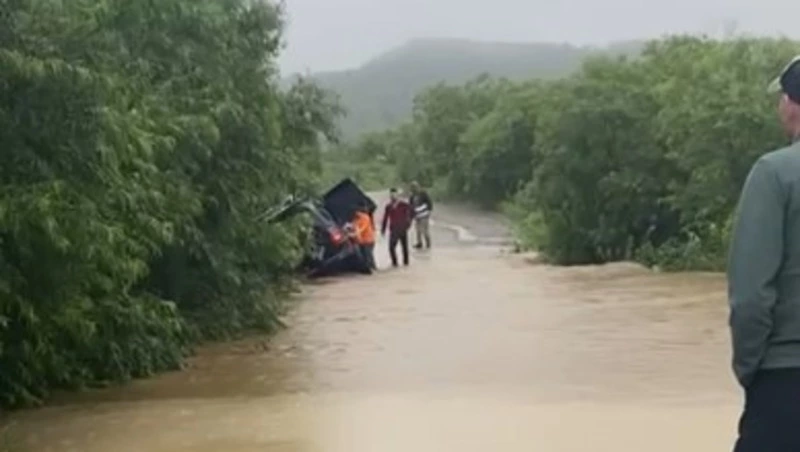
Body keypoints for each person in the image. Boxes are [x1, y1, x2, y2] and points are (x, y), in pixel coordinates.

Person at [728, 55, 800, 452]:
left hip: (787, 382)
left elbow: (751, 296)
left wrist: (750, 369)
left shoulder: (774, 173)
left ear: (792, 104)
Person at [380, 187, 413, 267]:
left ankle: (406, 263)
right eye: (391, 195)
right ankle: (395, 263)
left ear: (397, 195)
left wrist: (408, 223)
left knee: (404, 247)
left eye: (394, 194)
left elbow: (412, 211)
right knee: (391, 247)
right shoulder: (388, 206)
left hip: (402, 228)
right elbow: (385, 218)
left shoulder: (403, 205)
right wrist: (383, 229)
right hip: (394, 229)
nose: (393, 196)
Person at [409, 181, 433, 249]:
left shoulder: (423, 193)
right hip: (417, 215)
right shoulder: (412, 196)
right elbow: (410, 207)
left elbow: (429, 203)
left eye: (415, 187)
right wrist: (411, 217)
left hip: (424, 215)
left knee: (425, 230)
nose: (414, 189)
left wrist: (429, 211)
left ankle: (428, 243)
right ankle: (419, 243)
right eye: (412, 188)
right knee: (418, 230)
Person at [352, 202, 376, 271]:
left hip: (368, 240)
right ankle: (369, 268)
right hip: (361, 241)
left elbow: (362, 229)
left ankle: (371, 269)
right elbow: (353, 226)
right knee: (365, 256)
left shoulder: (365, 218)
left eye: (356, 212)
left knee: (368, 256)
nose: (355, 214)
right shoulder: (356, 219)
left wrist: (354, 234)